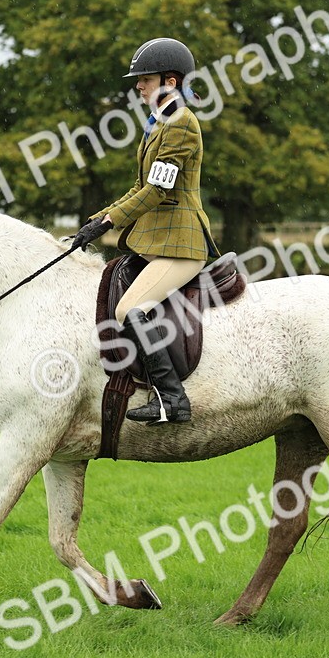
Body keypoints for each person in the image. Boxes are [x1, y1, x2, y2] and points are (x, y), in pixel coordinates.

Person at [72, 37, 219, 425]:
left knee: (129, 309)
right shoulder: (159, 123)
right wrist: (100, 217)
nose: (138, 86)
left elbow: (158, 191)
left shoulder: (181, 122)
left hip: (180, 245)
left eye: (145, 79)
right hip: (157, 241)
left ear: (170, 80)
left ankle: (172, 398)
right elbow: (142, 185)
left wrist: (109, 222)